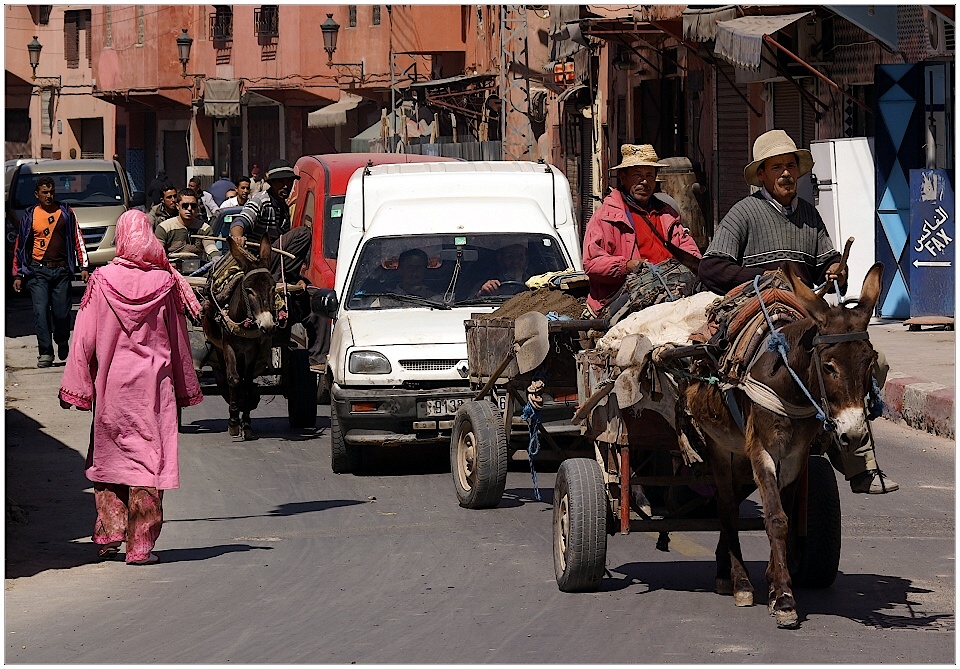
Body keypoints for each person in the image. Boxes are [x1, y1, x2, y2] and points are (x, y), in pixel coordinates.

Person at [699, 128, 898, 494]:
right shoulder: (744, 213)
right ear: (762, 175)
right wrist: (765, 276)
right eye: (777, 167)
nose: (786, 173)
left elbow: (828, 262)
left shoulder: (808, 214)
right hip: (759, 308)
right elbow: (711, 268)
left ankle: (857, 462)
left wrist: (837, 267)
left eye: (791, 166)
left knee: (872, 360)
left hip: (806, 313)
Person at [58, 209, 202, 565]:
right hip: (153, 393)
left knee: (110, 461)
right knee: (147, 467)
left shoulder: (101, 280)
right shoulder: (166, 284)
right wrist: (186, 388)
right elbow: (178, 340)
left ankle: (109, 532)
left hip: (111, 390)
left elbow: (83, 340)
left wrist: (75, 388)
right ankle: (139, 547)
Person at [583, 143, 702, 314]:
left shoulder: (666, 214)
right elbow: (591, 263)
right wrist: (626, 265)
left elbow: (690, 251)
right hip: (623, 298)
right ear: (623, 177)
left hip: (671, 290)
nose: (644, 181)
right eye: (637, 175)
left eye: (649, 175)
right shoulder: (606, 216)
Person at [12, 175, 90, 368]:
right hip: (38, 272)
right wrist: (18, 274)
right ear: (36, 194)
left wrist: (84, 266)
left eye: (52, 192)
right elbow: (20, 246)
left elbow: (77, 238)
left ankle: (62, 340)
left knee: (62, 314)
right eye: (45, 192)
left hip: (62, 271)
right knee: (40, 312)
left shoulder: (65, 212)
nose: (49, 195)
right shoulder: (30, 216)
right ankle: (45, 352)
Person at [230, 159, 311, 286]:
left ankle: (288, 277)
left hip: (272, 258)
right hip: (258, 258)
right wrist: (237, 237)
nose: (286, 185)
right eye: (280, 181)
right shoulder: (261, 201)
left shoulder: (284, 208)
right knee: (303, 233)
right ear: (272, 183)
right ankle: (279, 277)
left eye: (289, 181)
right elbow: (241, 220)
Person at [154, 189, 220, 260]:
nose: (189, 208)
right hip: (170, 266)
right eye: (185, 205)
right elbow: (157, 252)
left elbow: (210, 246)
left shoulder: (204, 228)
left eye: (193, 205)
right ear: (177, 206)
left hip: (198, 267)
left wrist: (215, 257)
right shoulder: (164, 227)